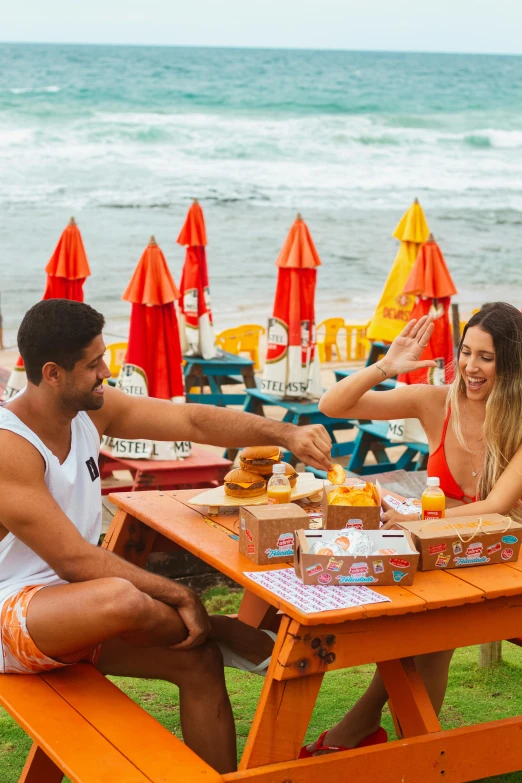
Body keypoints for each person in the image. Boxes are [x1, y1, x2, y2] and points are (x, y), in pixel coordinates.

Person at [0, 299, 333, 774]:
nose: (106, 372)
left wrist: (283, 432)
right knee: (121, 598)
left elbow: (191, 421)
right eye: (94, 364)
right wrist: (183, 596)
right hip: (13, 615)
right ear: (52, 373)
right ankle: (225, 628)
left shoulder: (89, 411)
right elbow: (76, 560)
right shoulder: (9, 446)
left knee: (197, 662)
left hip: (75, 609)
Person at [299, 301, 522, 756]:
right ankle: (404, 748)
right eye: (465, 352)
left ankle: (372, 738)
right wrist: (385, 365)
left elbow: (498, 506)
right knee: (428, 628)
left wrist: (420, 518)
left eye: (486, 357)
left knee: (434, 627)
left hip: (506, 547)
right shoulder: (435, 400)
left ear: (511, 363)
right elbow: (332, 404)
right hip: (447, 546)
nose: (470, 367)